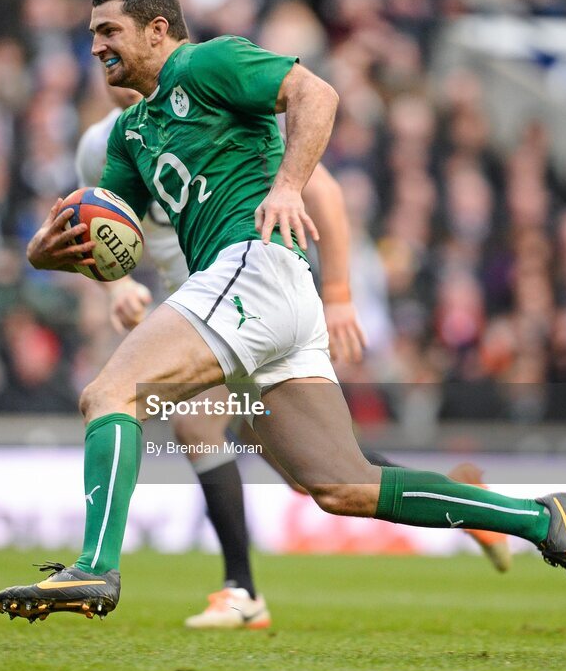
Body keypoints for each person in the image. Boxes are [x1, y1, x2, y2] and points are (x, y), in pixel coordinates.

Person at [0, 0, 566, 623]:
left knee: (111, 393)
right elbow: (111, 228)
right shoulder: (125, 136)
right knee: (344, 485)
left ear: (157, 29)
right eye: (91, 35)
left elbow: (317, 94)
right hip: (265, 295)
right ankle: (542, 518)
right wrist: (46, 254)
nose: (95, 47)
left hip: (250, 267)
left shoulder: (210, 62)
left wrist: (288, 185)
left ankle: (97, 568)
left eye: (108, 31)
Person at [74, 85, 511, 628]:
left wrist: (341, 294)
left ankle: (241, 592)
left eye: (118, 38)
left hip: (249, 297)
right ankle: (466, 501)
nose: (111, 63)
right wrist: (116, 290)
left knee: (196, 425)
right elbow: (92, 239)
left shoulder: (209, 113)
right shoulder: (101, 148)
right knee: (311, 473)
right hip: (190, 308)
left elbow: (322, 193)